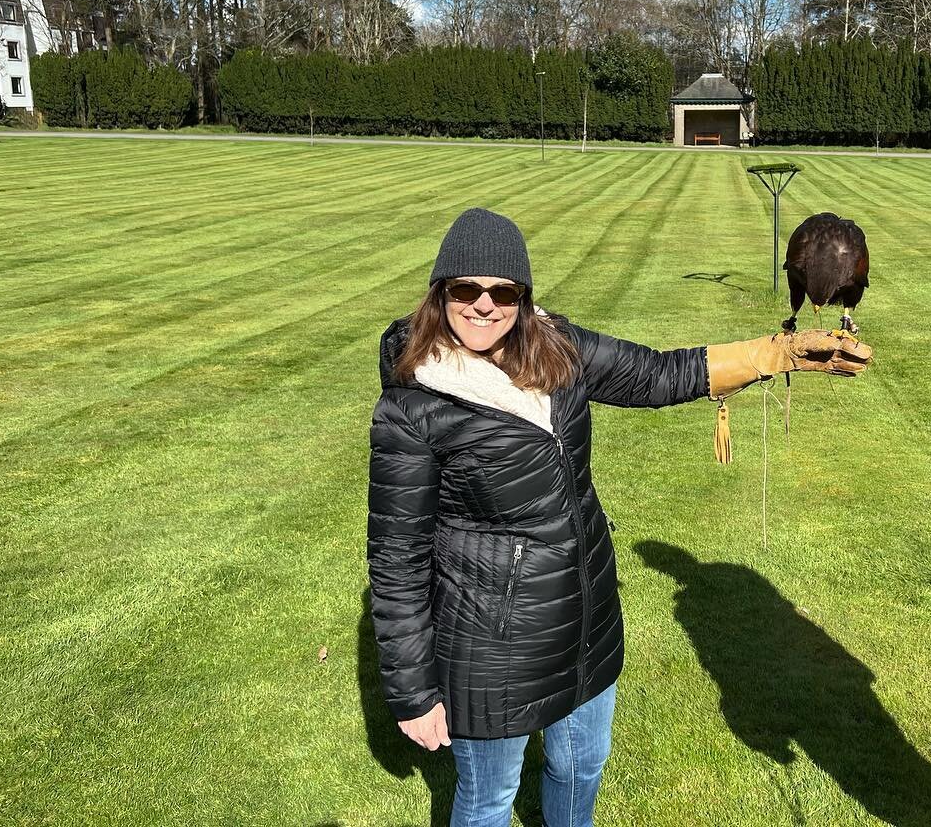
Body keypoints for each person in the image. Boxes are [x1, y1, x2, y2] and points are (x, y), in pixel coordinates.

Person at [368, 207, 871, 827]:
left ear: (524, 298)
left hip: (588, 622)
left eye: (502, 291)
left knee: (579, 773)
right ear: (440, 293)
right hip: (489, 649)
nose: (483, 305)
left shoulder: (560, 349)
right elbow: (397, 560)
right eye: (465, 289)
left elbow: (656, 374)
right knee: (489, 801)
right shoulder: (414, 405)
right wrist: (414, 692)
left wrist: (776, 353)